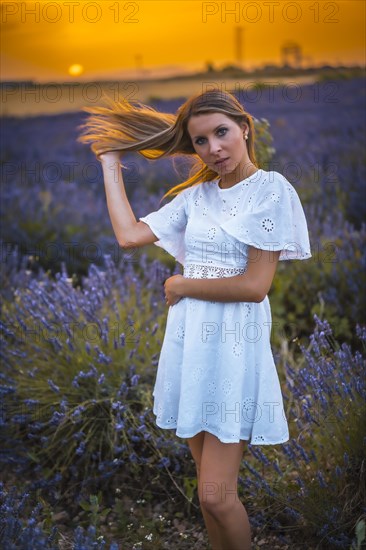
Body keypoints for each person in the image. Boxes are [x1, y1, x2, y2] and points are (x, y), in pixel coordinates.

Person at [77, 89, 311, 550]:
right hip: (191, 346)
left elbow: (255, 285)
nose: (214, 149)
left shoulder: (271, 189)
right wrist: (109, 162)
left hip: (233, 348)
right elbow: (128, 236)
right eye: (200, 141)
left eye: (221, 133)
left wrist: (182, 285)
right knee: (207, 500)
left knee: (217, 496)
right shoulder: (196, 196)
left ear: (244, 126)